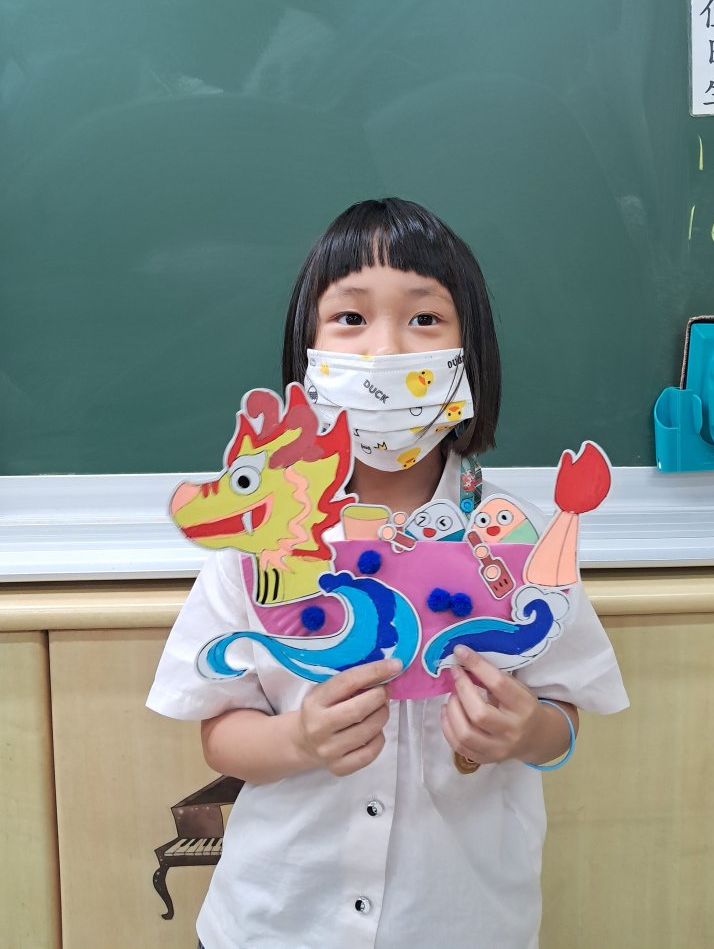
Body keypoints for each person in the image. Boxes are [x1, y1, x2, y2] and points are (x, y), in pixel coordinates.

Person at [147, 197, 629, 949]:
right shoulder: (260, 536)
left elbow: (564, 717)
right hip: (279, 923)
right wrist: (298, 740)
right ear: (307, 351)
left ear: (471, 352)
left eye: (424, 318)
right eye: (350, 317)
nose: (384, 350)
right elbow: (219, 730)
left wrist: (525, 729)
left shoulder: (517, 540)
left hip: (460, 924)